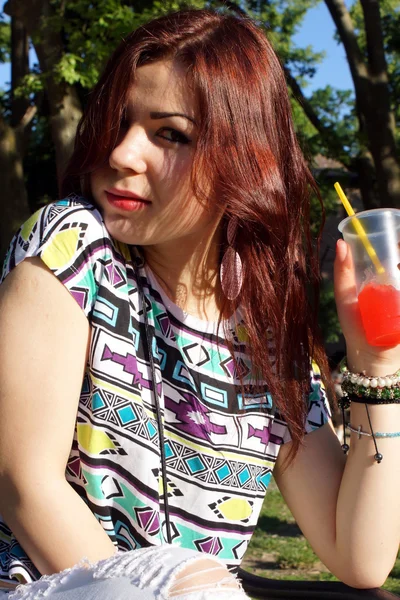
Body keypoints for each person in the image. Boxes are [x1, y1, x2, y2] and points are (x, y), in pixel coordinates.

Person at [0, 7, 399, 599]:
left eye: (170, 134)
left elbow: (360, 556)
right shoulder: (70, 248)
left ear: (242, 159)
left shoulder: (265, 332)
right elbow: (23, 484)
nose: (122, 153)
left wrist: (377, 367)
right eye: (119, 121)